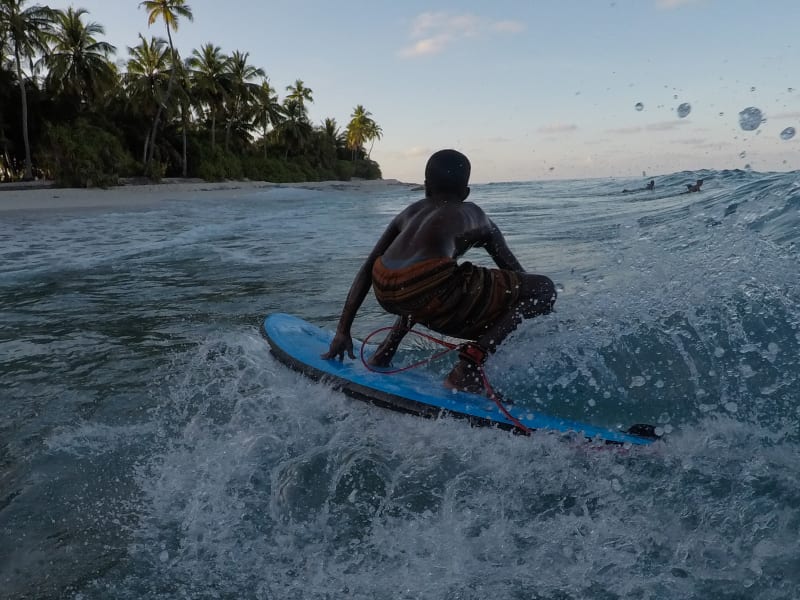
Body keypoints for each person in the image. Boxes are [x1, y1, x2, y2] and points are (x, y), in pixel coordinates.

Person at [321, 149, 556, 394]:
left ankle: (384, 352)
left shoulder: (409, 212)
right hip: (429, 284)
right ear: (465, 193)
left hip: (384, 281)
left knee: (427, 285)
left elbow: (367, 268)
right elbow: (518, 275)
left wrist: (342, 330)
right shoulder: (476, 214)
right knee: (543, 288)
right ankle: (470, 366)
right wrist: (542, 314)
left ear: (426, 187)